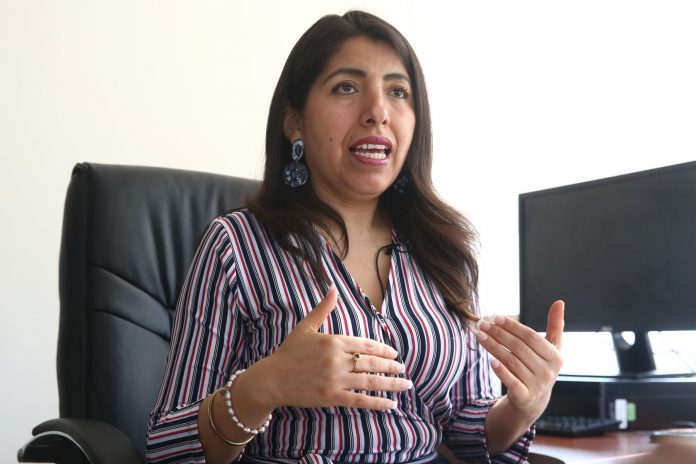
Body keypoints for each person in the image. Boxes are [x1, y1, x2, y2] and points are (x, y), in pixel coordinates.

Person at [145, 10, 564, 464]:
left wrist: (524, 405)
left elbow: (466, 433)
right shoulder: (236, 245)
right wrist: (263, 386)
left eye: (397, 91)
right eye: (346, 87)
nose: (377, 112)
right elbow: (166, 447)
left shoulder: (446, 252)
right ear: (294, 121)